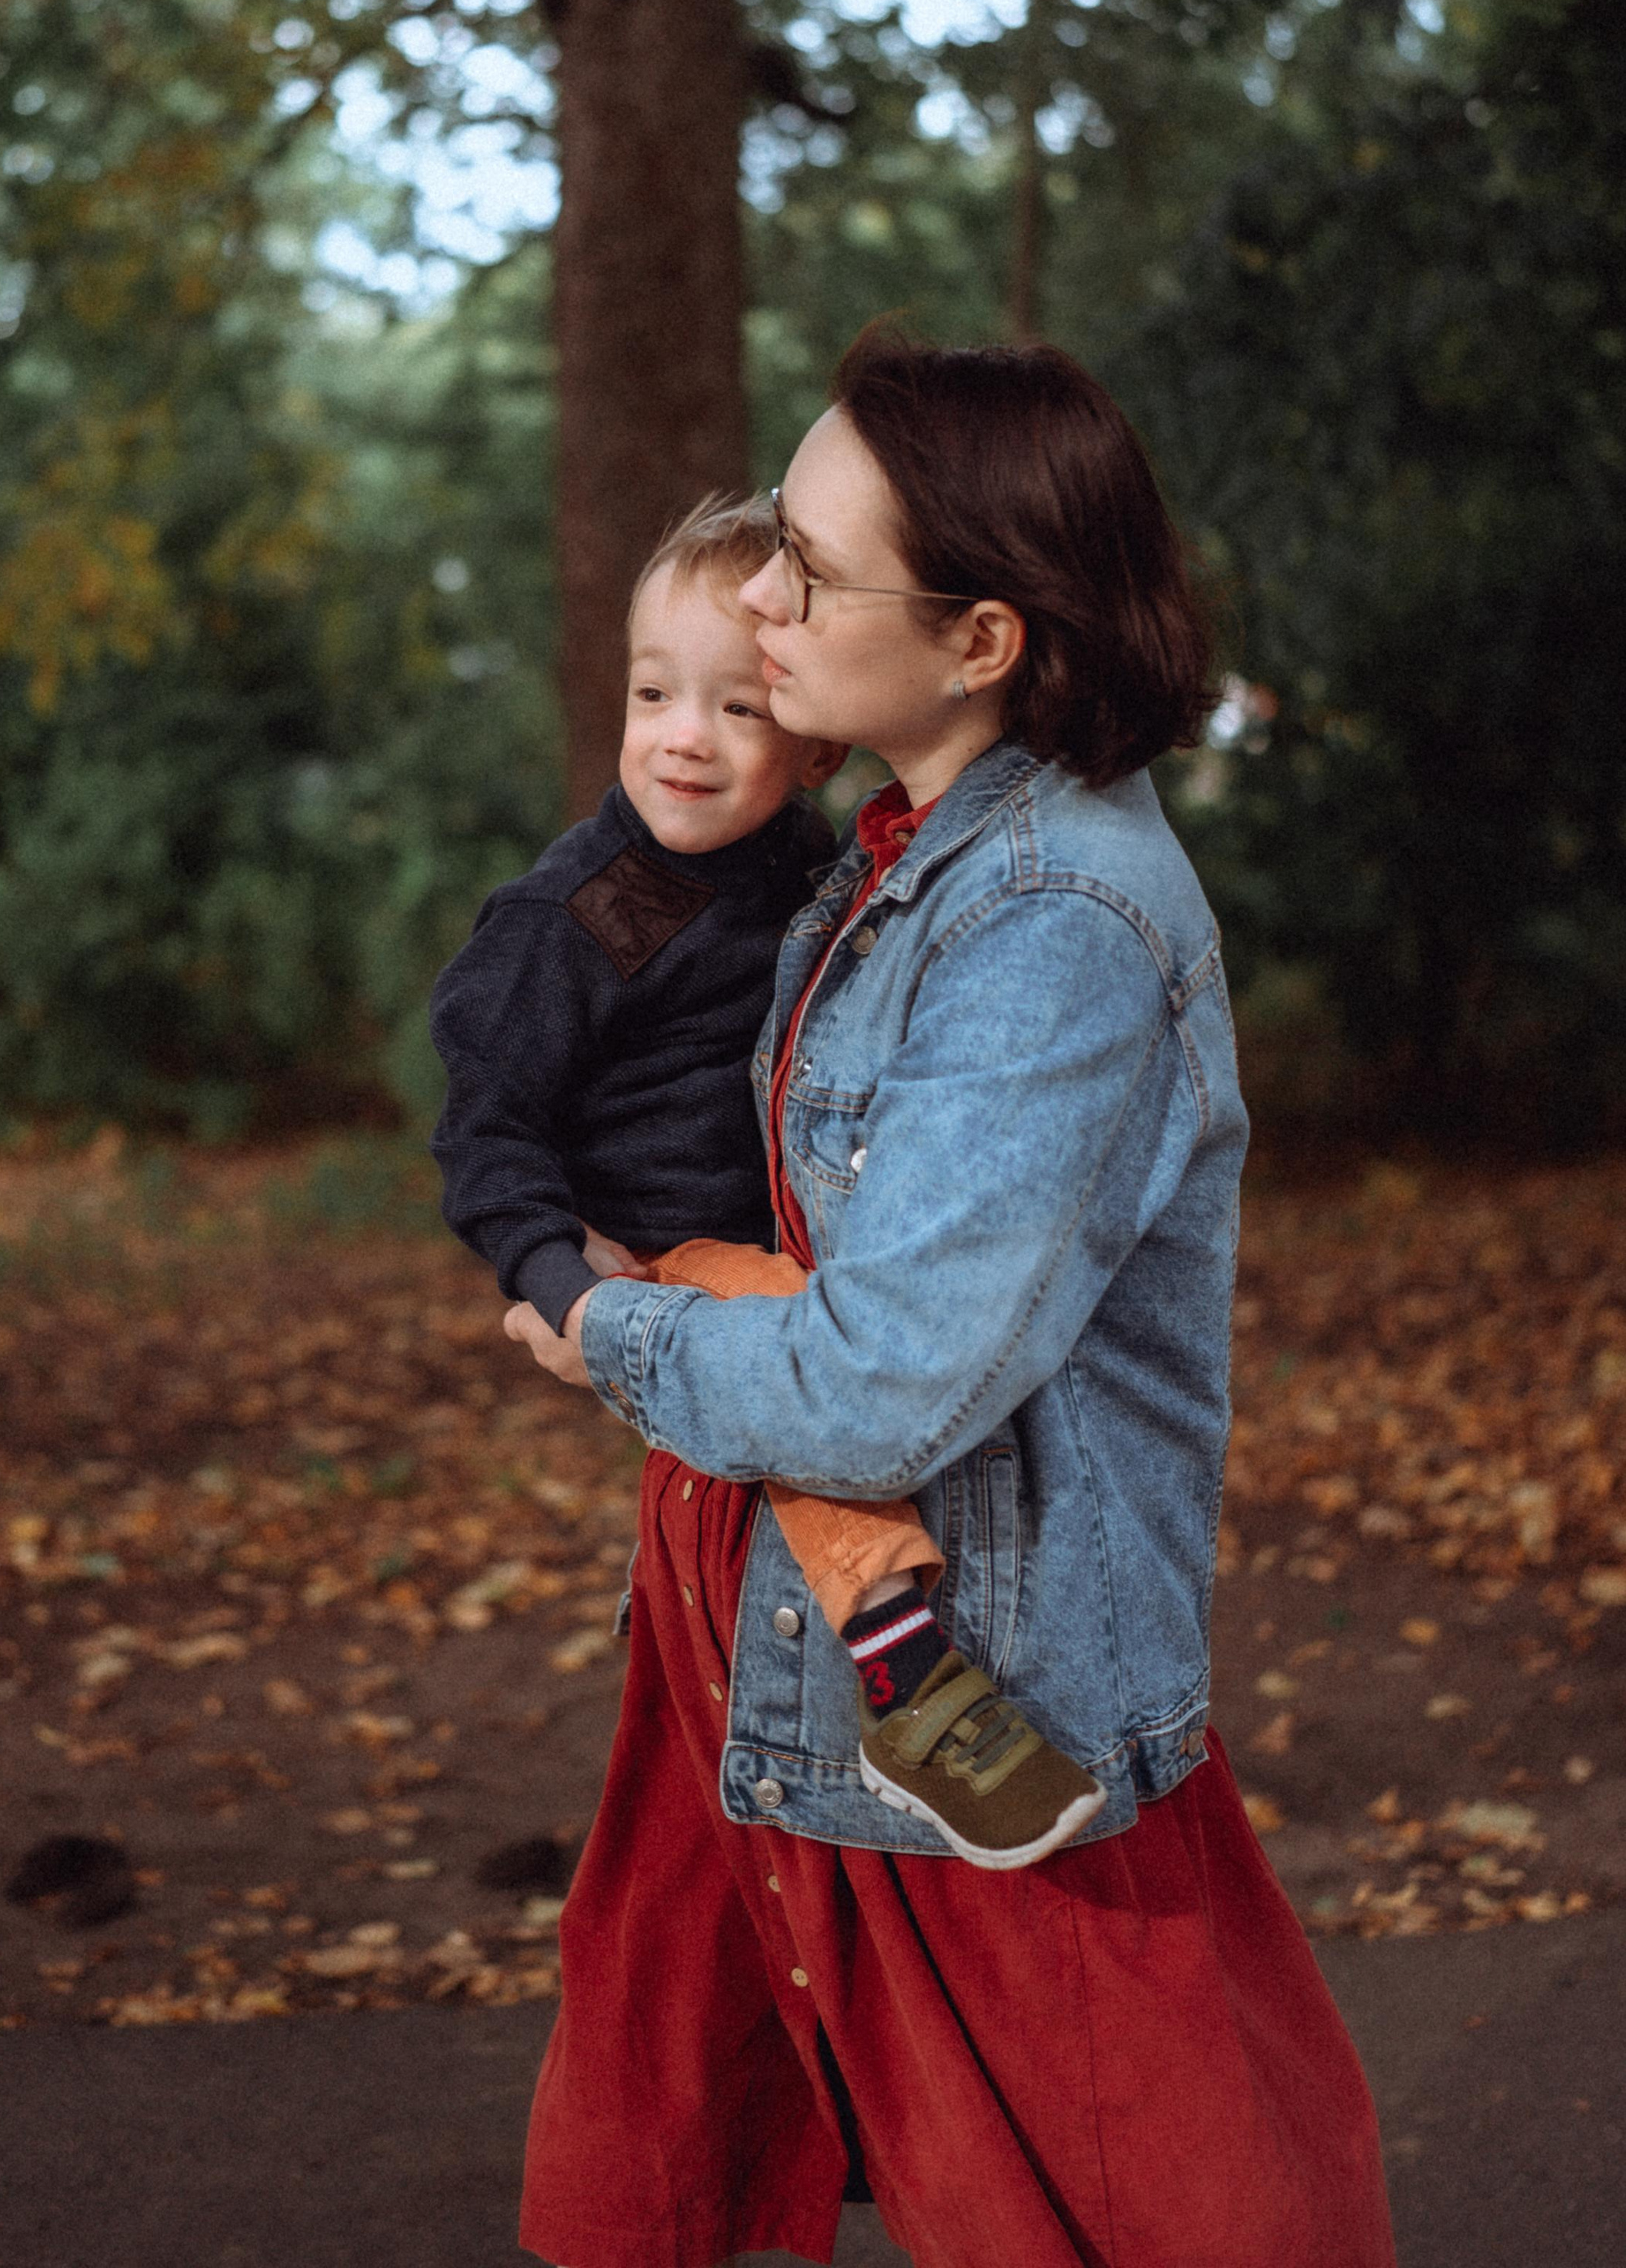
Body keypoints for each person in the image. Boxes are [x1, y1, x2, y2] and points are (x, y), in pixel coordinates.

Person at [504, 327, 1396, 2268]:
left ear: (981, 638)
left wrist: (609, 1330)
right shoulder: (886, 857)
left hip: (967, 1689)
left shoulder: (1051, 922)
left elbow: (881, 1386)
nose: (758, 595)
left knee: (1118, 2193)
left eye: (809, 571)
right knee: (678, 2142)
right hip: (768, 1618)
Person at [432, 498, 1101, 1863]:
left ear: (811, 745)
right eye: (654, 694)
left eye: (736, 710)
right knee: (801, 1362)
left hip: (816, 1212)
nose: (684, 736)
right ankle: (907, 1677)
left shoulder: (817, 863)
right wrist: (564, 1283)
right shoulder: (580, 917)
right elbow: (486, 1131)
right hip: (674, 1248)